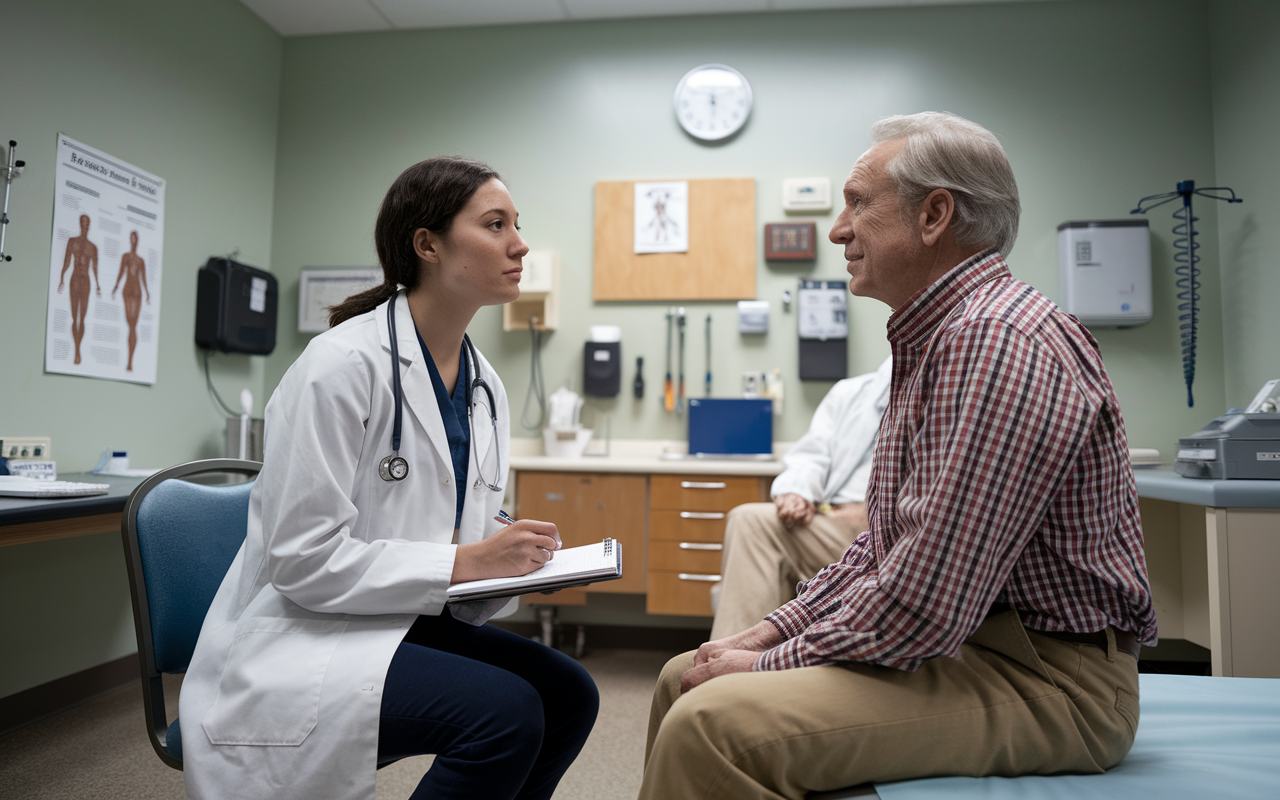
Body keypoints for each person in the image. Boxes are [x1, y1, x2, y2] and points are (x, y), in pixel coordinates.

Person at [639, 112, 1157, 800]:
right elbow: (881, 550)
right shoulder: (941, 339)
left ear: (935, 214)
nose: (837, 229)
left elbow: (927, 602)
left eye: (858, 202)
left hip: (1052, 682)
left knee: (712, 721)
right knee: (685, 675)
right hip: (979, 646)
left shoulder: (994, 340)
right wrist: (766, 632)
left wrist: (768, 665)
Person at [180, 157, 599, 800]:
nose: (520, 245)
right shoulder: (340, 366)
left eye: (517, 225)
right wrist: (467, 561)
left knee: (569, 693)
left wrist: (516, 554)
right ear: (426, 245)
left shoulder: (485, 384)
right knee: (504, 714)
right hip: (304, 632)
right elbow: (302, 559)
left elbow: (471, 517)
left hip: (397, 617)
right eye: (495, 225)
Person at [709, 356, 890, 640]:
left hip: (881, 529)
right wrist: (797, 490)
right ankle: (735, 659)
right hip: (830, 519)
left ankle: (732, 665)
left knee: (754, 526)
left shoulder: (935, 391)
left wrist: (872, 511)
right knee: (748, 519)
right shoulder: (851, 392)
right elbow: (812, 455)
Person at [56, 213, 99, 365]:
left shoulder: (92, 247)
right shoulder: (72, 242)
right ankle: (77, 351)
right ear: (80, 224)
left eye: (87, 222)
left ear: (89, 225)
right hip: (75, 280)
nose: (85, 225)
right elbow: (67, 261)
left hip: (86, 281)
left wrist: (98, 284)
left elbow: (94, 267)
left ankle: (78, 349)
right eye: (83, 222)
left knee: (83, 317)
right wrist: (62, 277)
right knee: (75, 317)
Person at [111, 230, 150, 371]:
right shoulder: (126, 257)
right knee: (130, 323)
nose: (134, 241)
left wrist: (147, 293)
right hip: (127, 290)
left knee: (133, 325)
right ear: (130, 240)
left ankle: (129, 361)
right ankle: (129, 361)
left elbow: (143, 278)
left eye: (135, 238)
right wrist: (115, 287)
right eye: (132, 238)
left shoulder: (140, 261)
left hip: (137, 292)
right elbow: (121, 273)